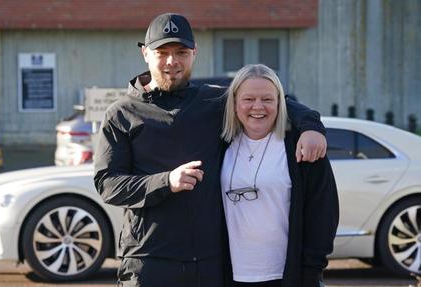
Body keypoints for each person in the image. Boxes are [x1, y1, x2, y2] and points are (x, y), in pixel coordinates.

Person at [94, 13, 327, 287]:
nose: (172, 61)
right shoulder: (121, 114)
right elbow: (107, 184)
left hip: (210, 266)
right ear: (146, 54)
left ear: (194, 53)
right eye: (162, 52)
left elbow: (268, 98)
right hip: (149, 262)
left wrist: (311, 126)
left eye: (181, 52)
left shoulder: (213, 101)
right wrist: (166, 181)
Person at [220, 64, 339, 287]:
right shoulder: (219, 145)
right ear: (235, 104)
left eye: (267, 99)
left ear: (279, 103)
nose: (258, 107)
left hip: (286, 276)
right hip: (229, 275)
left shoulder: (302, 148)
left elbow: (323, 213)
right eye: (248, 99)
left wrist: (312, 272)